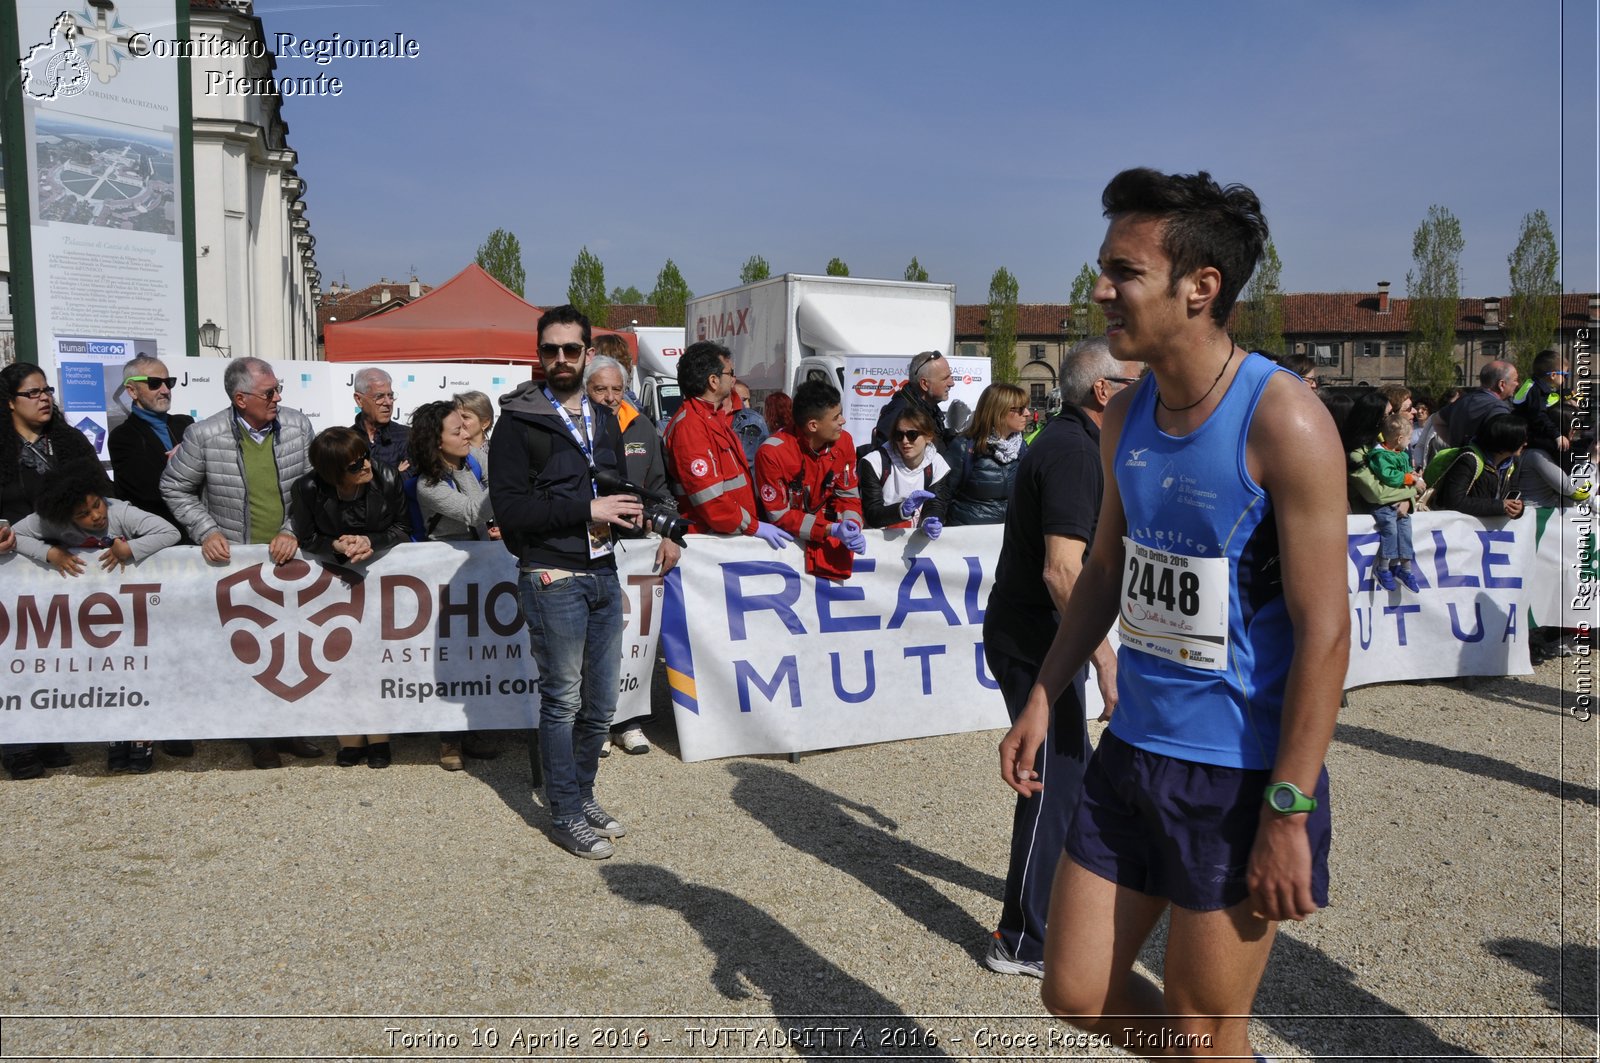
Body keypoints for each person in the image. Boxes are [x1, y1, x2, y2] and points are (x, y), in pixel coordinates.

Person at [999, 168, 1349, 1060]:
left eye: (1124, 271)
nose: (1100, 289)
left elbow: (1325, 632)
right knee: (1073, 990)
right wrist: (1045, 694)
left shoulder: (1286, 421)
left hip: (1239, 773)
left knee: (1201, 1029)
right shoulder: (1126, 416)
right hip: (1135, 751)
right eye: (1102, 266)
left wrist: (1287, 809)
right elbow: (1108, 570)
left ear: (1202, 288)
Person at [982, 338, 1143, 979]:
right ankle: (1020, 939)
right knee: (1052, 779)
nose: (1149, 387)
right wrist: (1104, 657)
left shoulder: (1074, 443)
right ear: (1103, 390)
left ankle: (1071, 911)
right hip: (1033, 640)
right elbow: (1060, 571)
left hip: (1040, 636)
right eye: (1138, 379)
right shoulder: (1075, 451)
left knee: (1075, 776)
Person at [488, 305, 643, 859]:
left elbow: (612, 486)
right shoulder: (517, 422)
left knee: (601, 706)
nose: (560, 359)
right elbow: (510, 510)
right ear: (539, 353)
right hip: (552, 575)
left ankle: (581, 793)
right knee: (562, 701)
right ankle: (563, 812)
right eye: (550, 349)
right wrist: (587, 508)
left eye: (570, 350)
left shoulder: (603, 416)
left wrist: (631, 511)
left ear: (586, 352)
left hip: (602, 568)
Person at [160, 356, 324, 771]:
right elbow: (174, 486)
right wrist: (206, 530)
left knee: (293, 646)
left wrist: (292, 529)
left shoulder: (298, 425)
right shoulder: (204, 435)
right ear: (240, 398)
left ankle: (291, 731)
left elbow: (313, 484)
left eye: (277, 388)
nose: (278, 397)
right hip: (238, 562)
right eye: (269, 392)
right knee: (251, 648)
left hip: (290, 557)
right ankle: (259, 737)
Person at [13, 463, 182, 773]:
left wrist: (130, 548)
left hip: (133, 611)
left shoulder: (120, 512)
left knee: (137, 672)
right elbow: (15, 535)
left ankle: (143, 739)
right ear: (65, 516)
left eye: (96, 504)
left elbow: (169, 531)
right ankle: (114, 738)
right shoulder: (50, 520)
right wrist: (49, 553)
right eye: (83, 514)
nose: (96, 515)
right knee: (104, 676)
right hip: (85, 615)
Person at [0, 362, 101, 780]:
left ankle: (47, 732)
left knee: (54, 654)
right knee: (13, 656)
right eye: (32, 393)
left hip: (65, 559)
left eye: (47, 391)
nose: (44, 398)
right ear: (9, 402)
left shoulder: (70, 441)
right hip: (12, 563)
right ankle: (16, 744)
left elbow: (99, 491)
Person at [290, 427, 409, 767]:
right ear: (332, 473)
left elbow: (402, 527)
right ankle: (349, 737)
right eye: (355, 465)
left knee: (376, 657)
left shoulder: (386, 476)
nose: (366, 465)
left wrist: (371, 541)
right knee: (336, 656)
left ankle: (380, 737)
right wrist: (336, 546)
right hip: (332, 581)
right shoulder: (307, 488)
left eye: (365, 457)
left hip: (379, 577)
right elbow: (307, 536)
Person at [585, 354, 680, 756]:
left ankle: (629, 720)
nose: (608, 397)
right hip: (589, 545)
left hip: (637, 548)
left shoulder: (642, 426)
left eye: (616, 389)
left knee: (634, 640)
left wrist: (670, 533)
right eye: (599, 389)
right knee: (595, 639)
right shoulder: (575, 428)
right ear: (586, 390)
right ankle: (597, 722)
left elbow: (661, 488)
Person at [406, 401, 501, 771]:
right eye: (457, 431)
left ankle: (473, 726)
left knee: (478, 653)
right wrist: (505, 481)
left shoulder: (470, 464)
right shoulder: (429, 484)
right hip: (443, 580)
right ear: (436, 441)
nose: (467, 435)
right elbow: (474, 511)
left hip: (476, 572)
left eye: (466, 427)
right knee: (452, 656)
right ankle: (448, 738)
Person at [662, 340, 790, 549]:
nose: (734, 379)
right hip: (710, 542)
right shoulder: (690, 426)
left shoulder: (711, 418)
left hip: (729, 535)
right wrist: (753, 526)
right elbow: (710, 501)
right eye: (730, 373)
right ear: (713, 381)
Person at [754, 379, 866, 582]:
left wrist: (852, 525)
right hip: (784, 551)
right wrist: (831, 529)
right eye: (836, 417)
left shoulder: (845, 441)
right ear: (813, 425)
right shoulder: (772, 453)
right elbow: (779, 515)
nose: (843, 421)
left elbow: (848, 494)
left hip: (827, 549)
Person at [108, 355, 194, 538]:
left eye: (168, 382)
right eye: (154, 383)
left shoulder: (186, 424)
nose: (165, 390)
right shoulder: (123, 437)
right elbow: (150, 492)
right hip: (154, 540)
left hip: (197, 533)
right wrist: (185, 460)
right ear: (132, 391)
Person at [1351, 411, 1424, 592]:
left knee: (1405, 532)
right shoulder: (1378, 456)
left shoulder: (1401, 454)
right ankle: (1383, 567)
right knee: (1390, 531)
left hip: (1400, 504)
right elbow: (1389, 479)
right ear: (1400, 438)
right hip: (1383, 507)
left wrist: (1412, 480)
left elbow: (1404, 474)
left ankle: (1405, 568)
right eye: (1408, 438)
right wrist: (1412, 482)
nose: (1410, 441)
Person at [857, 405, 951, 537]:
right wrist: (902, 510)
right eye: (899, 435)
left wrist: (931, 519)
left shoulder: (936, 464)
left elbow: (936, 504)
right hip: (877, 542)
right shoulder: (875, 462)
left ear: (928, 436)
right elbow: (872, 514)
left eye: (912, 435)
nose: (905, 441)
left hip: (912, 542)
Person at [945, 381, 1030, 526]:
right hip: (968, 540)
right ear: (999, 411)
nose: (1027, 414)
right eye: (1020, 409)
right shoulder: (964, 446)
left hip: (1010, 538)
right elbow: (942, 495)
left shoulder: (1021, 447)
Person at [1432, 413, 1527, 519]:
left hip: (1489, 531)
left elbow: (1513, 492)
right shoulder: (1469, 460)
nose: (1525, 443)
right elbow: (1454, 501)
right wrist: (1500, 506)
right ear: (1507, 440)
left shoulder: (1513, 462)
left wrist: (1518, 508)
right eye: (1521, 439)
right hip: (1462, 531)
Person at [869, 349, 955, 453]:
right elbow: (886, 460)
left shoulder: (928, 408)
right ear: (924, 384)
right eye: (945, 378)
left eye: (950, 376)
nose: (952, 383)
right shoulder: (899, 413)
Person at [1443, 360, 1519, 449]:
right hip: (1483, 461)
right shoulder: (1498, 408)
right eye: (1515, 380)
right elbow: (1504, 444)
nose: (1517, 384)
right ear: (1501, 384)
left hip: (1461, 458)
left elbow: (1437, 420)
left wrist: (1456, 448)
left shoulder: (1463, 400)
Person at [351, 367, 409, 471]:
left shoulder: (407, 436)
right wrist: (395, 474)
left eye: (390, 395)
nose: (388, 402)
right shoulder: (347, 440)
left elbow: (408, 480)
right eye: (379, 396)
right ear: (359, 400)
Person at [724, 379, 769, 471]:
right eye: (743, 400)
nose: (747, 405)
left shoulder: (756, 421)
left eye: (748, 400)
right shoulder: (715, 419)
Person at [452, 390, 495, 472]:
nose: (459, 421)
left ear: (485, 423)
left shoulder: (497, 453)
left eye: (465, 417)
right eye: (456, 416)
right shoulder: (450, 453)